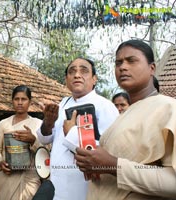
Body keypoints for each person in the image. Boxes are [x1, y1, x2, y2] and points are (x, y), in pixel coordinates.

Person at [75, 40, 176, 199]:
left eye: (131, 60)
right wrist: (92, 162)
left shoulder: (169, 109)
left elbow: (173, 183)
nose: (123, 67)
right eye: (118, 63)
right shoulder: (124, 115)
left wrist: (113, 165)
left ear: (152, 68)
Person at [37, 57, 119, 200]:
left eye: (84, 70)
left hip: (85, 186)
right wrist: (48, 123)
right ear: (66, 80)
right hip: (57, 183)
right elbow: (45, 139)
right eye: (72, 71)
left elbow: (108, 151)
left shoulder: (105, 106)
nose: (77, 75)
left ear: (94, 79)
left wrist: (72, 133)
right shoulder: (62, 104)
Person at [0, 85, 43, 200]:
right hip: (6, 177)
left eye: (23, 99)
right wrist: (0, 162)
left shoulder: (37, 124)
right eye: (16, 99)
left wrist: (33, 140)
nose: (20, 102)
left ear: (30, 102)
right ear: (12, 101)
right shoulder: (3, 124)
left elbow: (45, 152)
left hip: (29, 178)